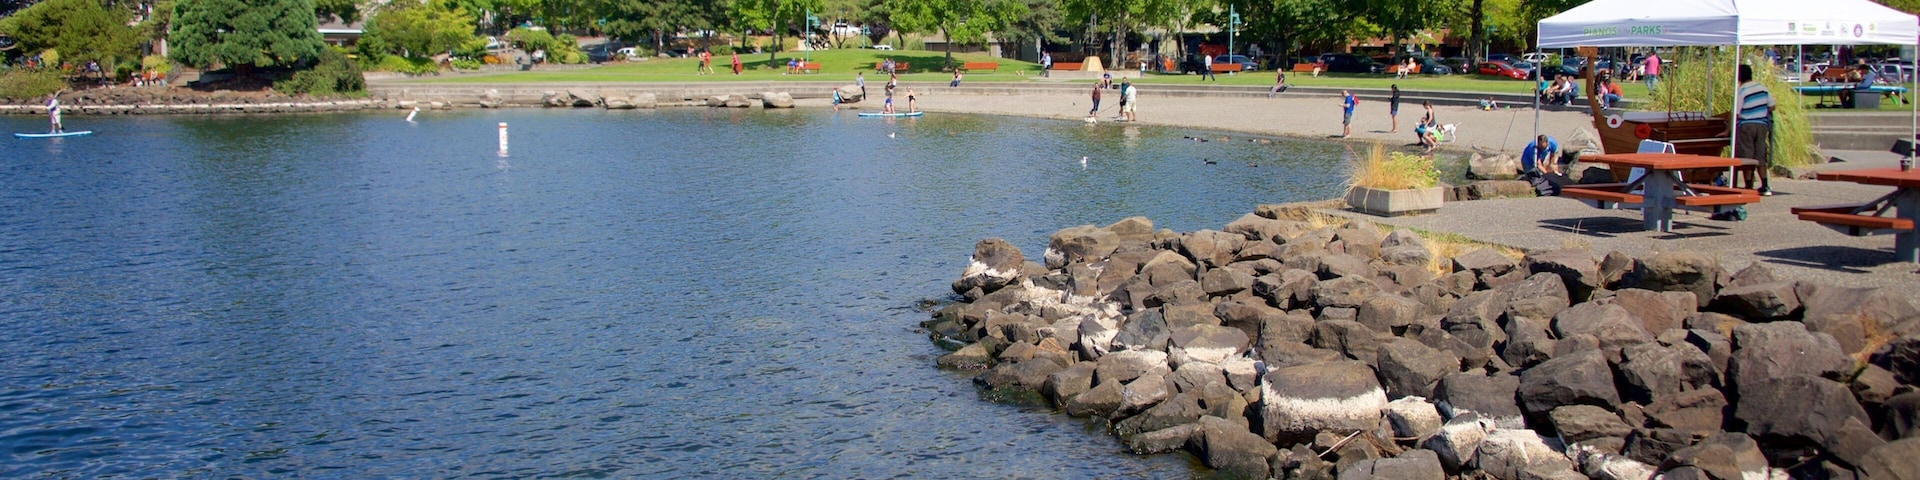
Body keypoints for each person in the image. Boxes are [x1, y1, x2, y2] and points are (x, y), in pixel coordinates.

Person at [1735, 64, 1776, 196]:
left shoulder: (1741, 91)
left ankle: (1748, 185)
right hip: (1762, 124)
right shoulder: (1763, 89)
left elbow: (1736, 112)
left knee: (1747, 155)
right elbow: (1772, 106)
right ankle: (1764, 185)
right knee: (1760, 155)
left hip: (1746, 125)